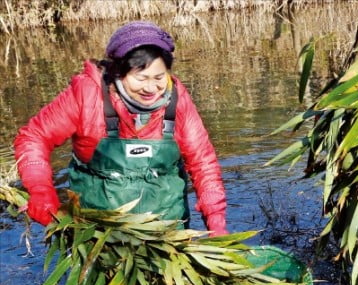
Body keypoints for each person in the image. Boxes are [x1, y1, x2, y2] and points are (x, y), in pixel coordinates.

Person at [14, 21, 228, 236]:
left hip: (167, 233)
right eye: (141, 78)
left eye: (159, 77)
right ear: (119, 72)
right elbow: (34, 137)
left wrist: (216, 222)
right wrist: (41, 190)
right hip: (98, 234)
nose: (151, 88)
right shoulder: (87, 95)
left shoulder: (177, 101)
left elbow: (203, 164)